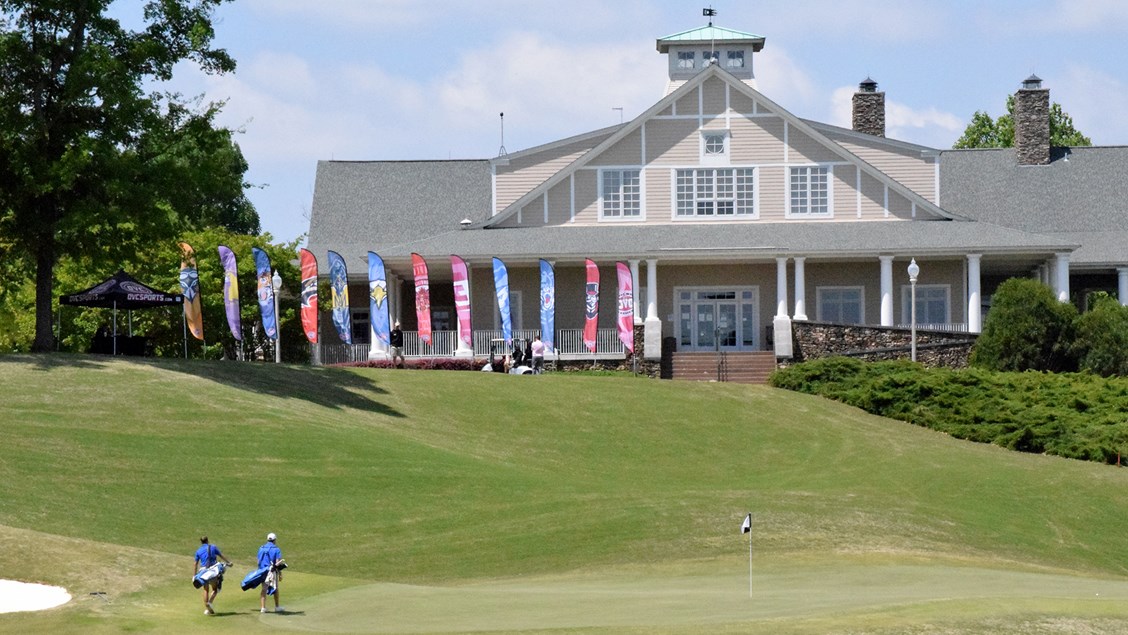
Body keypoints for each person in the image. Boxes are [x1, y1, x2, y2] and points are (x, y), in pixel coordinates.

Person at [194, 536, 232, 615]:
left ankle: (206, 604)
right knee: (215, 589)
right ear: (207, 540)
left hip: (203, 572)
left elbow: (195, 564)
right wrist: (229, 562)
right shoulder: (213, 547)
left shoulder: (198, 551)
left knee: (206, 589)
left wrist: (194, 575)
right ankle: (210, 603)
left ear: (201, 542)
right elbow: (221, 555)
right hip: (213, 571)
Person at [257, 532, 284, 613]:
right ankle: (277, 607)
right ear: (274, 540)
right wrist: (280, 574)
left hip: (263, 571)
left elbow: (258, 561)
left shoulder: (261, 548)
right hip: (272, 571)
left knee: (264, 589)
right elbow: (277, 563)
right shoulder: (276, 549)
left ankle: (263, 608)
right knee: (275, 588)